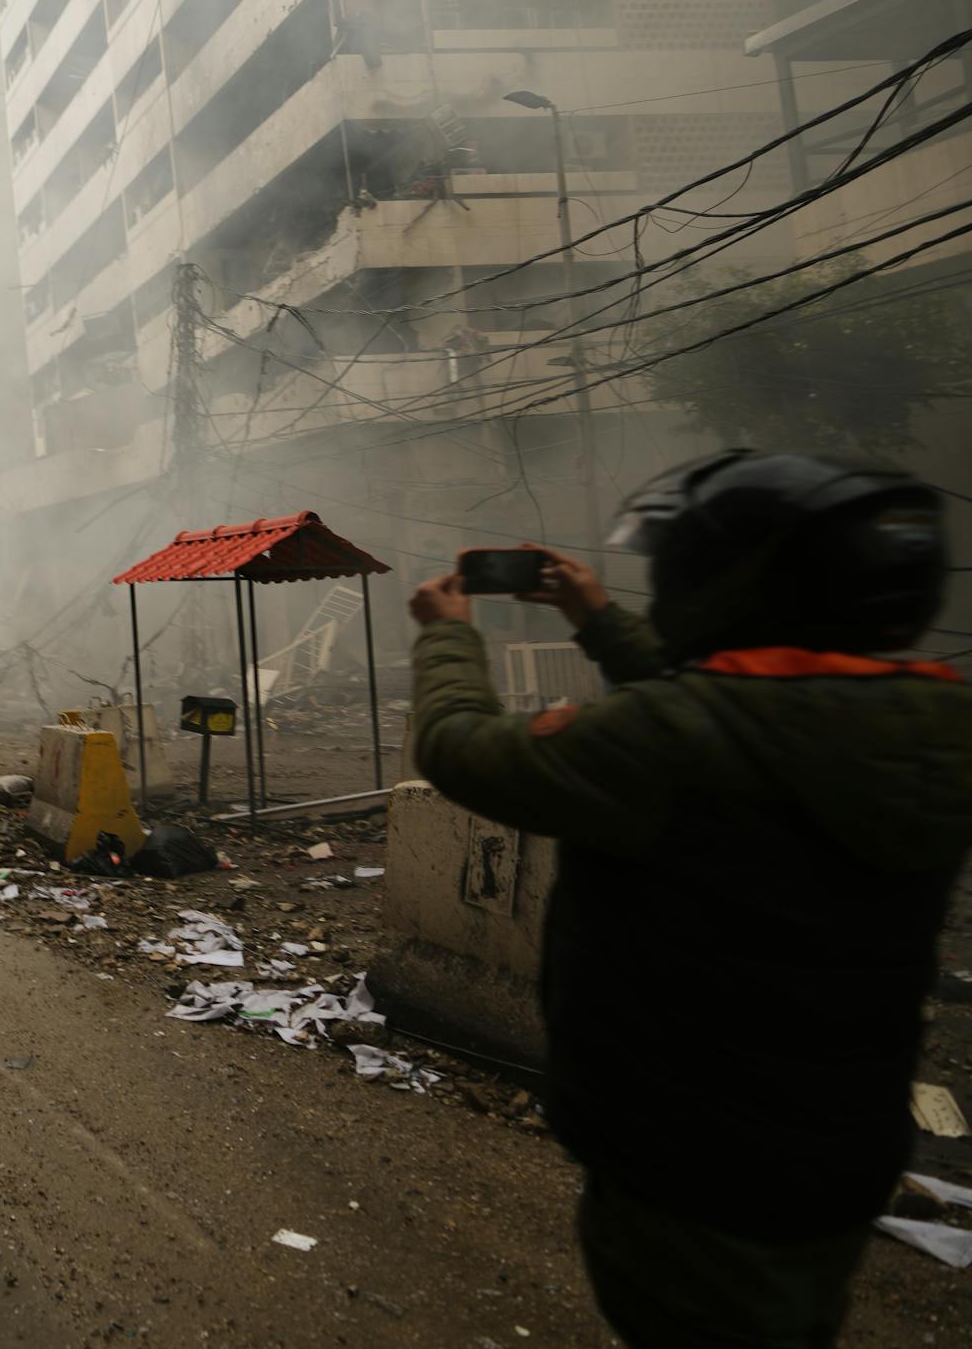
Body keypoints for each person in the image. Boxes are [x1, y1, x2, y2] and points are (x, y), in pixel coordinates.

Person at [403, 450, 970, 1349]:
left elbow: (461, 748)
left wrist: (446, 637)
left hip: (688, 1148)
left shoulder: (667, 740)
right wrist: (598, 620)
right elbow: (730, 702)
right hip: (839, 1140)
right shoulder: (934, 725)